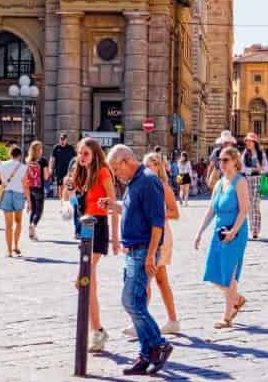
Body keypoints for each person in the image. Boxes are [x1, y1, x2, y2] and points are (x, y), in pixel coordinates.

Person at [109, 144, 172, 376]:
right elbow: (129, 210)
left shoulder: (148, 180)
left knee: (132, 301)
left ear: (126, 161)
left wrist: (150, 255)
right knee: (134, 302)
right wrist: (113, 205)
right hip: (132, 250)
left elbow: (157, 223)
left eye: (116, 169)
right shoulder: (133, 183)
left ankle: (158, 344)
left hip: (143, 250)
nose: (116, 175)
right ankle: (146, 354)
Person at [66, 138, 116, 353]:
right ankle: (97, 331)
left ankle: (96, 332)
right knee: (89, 285)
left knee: (84, 279)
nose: (81, 157)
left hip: (99, 226)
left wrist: (116, 237)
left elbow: (113, 203)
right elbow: (75, 201)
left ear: (95, 154)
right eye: (80, 153)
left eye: (85, 153)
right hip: (85, 228)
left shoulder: (103, 172)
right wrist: (69, 190)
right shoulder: (82, 173)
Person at [198, 143, 251, 328]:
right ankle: (236, 298)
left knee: (229, 275)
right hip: (219, 232)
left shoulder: (240, 181)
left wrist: (233, 232)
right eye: (219, 160)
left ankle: (227, 317)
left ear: (235, 161)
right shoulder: (220, 183)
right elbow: (212, 208)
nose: (222, 163)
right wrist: (200, 231)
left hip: (235, 233)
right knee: (212, 273)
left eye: (225, 160)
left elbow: (244, 210)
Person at [139, 151, 183, 336]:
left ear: (159, 167)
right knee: (158, 280)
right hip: (146, 236)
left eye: (152, 164)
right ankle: (172, 320)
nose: (148, 168)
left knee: (148, 279)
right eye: (146, 164)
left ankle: (140, 322)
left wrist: (157, 214)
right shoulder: (142, 186)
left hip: (161, 237)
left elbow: (175, 212)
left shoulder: (163, 187)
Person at [0, 143, 29, 257]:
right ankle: (16, 245)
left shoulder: (2, 165)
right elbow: (25, 185)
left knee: (8, 225)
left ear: (10, 154)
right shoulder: (24, 167)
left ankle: (9, 251)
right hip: (18, 195)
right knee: (19, 222)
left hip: (6, 194)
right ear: (20, 156)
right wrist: (29, 201)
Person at [241, 132, 267, 239]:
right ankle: (251, 228)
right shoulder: (245, 154)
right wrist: (252, 169)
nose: (248, 143)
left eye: (250, 141)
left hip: (258, 179)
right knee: (249, 205)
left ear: (254, 142)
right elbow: (242, 168)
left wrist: (258, 168)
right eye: (247, 141)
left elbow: (266, 168)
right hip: (247, 179)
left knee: (255, 204)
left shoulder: (261, 153)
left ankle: (255, 230)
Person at [25, 140, 48, 235]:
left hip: (31, 188)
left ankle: (31, 233)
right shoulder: (43, 161)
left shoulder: (28, 160)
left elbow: (26, 176)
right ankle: (33, 225)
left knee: (33, 210)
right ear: (40, 150)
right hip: (39, 188)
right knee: (39, 211)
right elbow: (46, 176)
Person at [51, 133, 76, 199]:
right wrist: (50, 168)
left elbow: (75, 159)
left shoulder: (71, 148)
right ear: (59, 139)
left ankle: (67, 200)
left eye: (64, 139)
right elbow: (52, 159)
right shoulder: (56, 148)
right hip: (59, 171)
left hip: (69, 171)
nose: (62, 141)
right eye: (61, 139)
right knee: (60, 186)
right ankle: (61, 201)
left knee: (68, 186)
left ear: (66, 140)